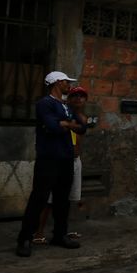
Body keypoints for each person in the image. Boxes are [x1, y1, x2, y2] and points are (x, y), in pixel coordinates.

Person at [16, 71, 84, 257]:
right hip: (48, 158)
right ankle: (25, 238)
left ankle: (60, 235)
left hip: (66, 159)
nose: (68, 85)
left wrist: (67, 123)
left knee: (62, 200)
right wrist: (68, 124)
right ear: (56, 82)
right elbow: (52, 126)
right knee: (39, 199)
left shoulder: (66, 105)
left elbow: (84, 126)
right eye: (65, 82)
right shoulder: (45, 103)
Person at [33, 85, 88, 244]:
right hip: (59, 159)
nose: (78, 99)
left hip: (74, 161)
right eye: (75, 96)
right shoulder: (61, 113)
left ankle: (61, 231)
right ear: (68, 98)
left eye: (82, 96)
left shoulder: (80, 117)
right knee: (48, 199)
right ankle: (39, 232)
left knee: (66, 199)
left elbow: (81, 131)